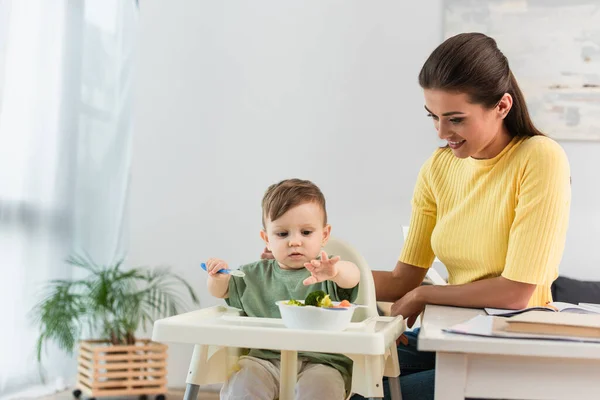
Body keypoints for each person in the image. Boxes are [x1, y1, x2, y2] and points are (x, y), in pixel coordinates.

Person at [362, 32, 571, 399]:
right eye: (434, 117)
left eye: (456, 119)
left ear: (502, 106)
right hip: (451, 336)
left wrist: (427, 296)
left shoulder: (539, 158)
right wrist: (319, 273)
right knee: (331, 368)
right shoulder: (438, 168)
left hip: (510, 352)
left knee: (372, 394)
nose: (442, 133)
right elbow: (401, 280)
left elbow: (516, 293)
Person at [206, 178, 361, 400]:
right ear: (266, 238)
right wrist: (217, 275)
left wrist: (335, 272)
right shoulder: (252, 275)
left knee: (321, 388)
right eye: (282, 234)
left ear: (324, 235)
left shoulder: (327, 273)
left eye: (306, 232)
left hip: (323, 361)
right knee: (243, 382)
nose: (294, 242)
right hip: (265, 360)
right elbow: (220, 291)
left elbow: (353, 276)